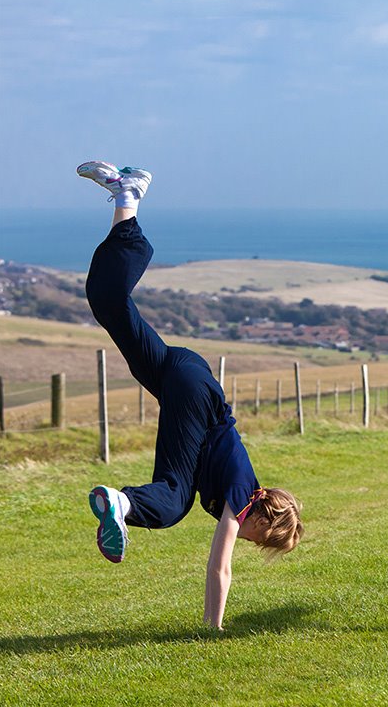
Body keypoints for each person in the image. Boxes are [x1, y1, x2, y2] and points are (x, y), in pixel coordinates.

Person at [78, 160, 304, 630]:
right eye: (264, 539)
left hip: (183, 373)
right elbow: (220, 567)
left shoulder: (240, 487)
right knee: (174, 500)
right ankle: (120, 504)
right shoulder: (242, 498)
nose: (254, 541)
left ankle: (126, 200)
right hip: (193, 392)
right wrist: (212, 627)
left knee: (109, 305)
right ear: (266, 518)